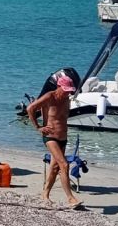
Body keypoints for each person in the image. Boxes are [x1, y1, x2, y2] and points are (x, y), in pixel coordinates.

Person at [26, 68, 84, 208]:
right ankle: (71, 198)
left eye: (69, 91)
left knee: (54, 168)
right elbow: (30, 109)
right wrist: (38, 127)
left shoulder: (67, 100)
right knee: (64, 165)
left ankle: (45, 195)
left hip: (62, 138)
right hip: (50, 137)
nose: (67, 93)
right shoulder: (49, 97)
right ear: (59, 86)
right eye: (65, 90)